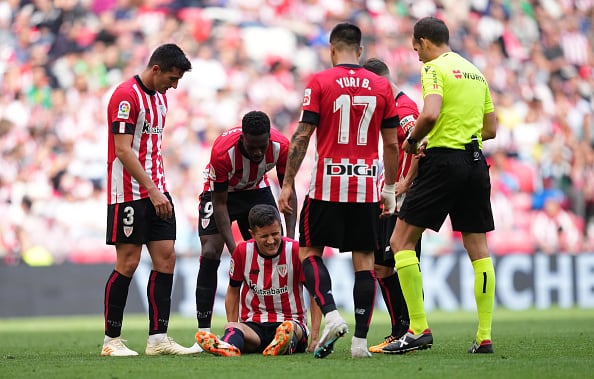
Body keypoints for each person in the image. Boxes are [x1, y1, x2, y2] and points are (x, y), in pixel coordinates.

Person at [277, 22, 400, 359]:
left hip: (327, 184)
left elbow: (302, 136)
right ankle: (360, 344)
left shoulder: (319, 81)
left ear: (332, 49)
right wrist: (389, 187)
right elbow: (392, 143)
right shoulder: (381, 86)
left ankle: (330, 314)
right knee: (365, 261)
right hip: (365, 185)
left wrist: (287, 183)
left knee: (309, 252)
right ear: (360, 50)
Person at [383, 16, 498, 355]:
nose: (415, 53)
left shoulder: (434, 68)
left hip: (444, 162)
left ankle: (417, 328)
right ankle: (485, 335)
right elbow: (490, 128)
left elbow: (430, 114)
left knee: (399, 241)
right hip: (476, 162)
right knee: (478, 249)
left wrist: (411, 140)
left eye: (415, 46)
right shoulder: (476, 72)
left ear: (424, 41)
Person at [102, 43, 197, 356]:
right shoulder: (125, 96)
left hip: (157, 189)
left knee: (166, 257)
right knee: (128, 262)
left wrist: (159, 189)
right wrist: (152, 190)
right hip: (128, 193)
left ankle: (158, 339)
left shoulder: (161, 98)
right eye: (171, 77)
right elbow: (123, 150)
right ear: (156, 69)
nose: (174, 84)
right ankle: (111, 341)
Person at [194, 111, 297, 342]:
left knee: (274, 245)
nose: (259, 152)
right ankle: (204, 331)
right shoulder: (223, 152)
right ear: (243, 139)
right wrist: (235, 252)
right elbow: (220, 205)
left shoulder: (282, 147)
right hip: (223, 194)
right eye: (253, 148)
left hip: (256, 189)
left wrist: (289, 242)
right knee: (210, 251)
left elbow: (289, 192)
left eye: (263, 147)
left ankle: (274, 319)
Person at [195, 204, 321, 356]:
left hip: (292, 321)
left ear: (281, 228)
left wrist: (314, 338)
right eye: (264, 236)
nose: (271, 241)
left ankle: (283, 341)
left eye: (275, 234)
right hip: (254, 326)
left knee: (290, 329)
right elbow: (233, 291)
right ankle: (228, 346)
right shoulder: (242, 252)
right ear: (252, 234)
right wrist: (233, 324)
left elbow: (315, 294)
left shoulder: (295, 251)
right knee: (234, 328)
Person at [361, 58, 422, 353]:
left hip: (402, 203)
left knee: (390, 266)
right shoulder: (390, 108)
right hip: (389, 200)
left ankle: (408, 330)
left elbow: (423, 148)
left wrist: (406, 186)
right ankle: (408, 329)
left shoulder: (405, 110)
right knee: (385, 267)